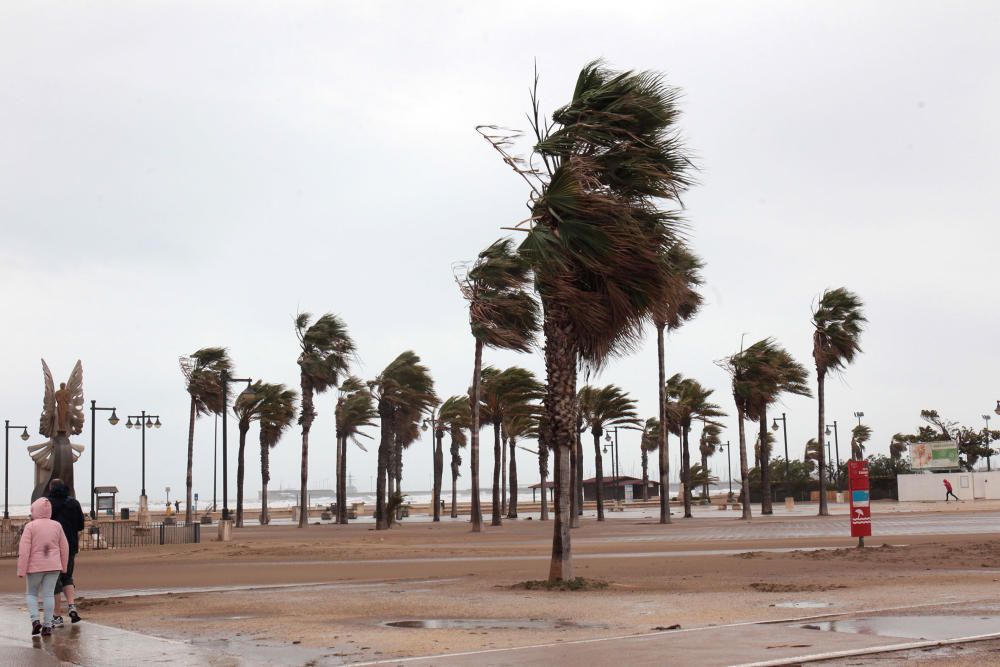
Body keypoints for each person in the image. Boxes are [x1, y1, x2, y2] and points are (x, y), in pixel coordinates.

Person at [17, 497, 69, 636]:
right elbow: (65, 547)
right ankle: (47, 625)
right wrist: (64, 567)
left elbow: (24, 550)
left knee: (31, 593)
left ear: (35, 511)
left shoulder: (30, 526)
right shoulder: (57, 525)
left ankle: (35, 621)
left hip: (34, 567)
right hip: (53, 566)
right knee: (49, 595)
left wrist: (21, 569)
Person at [47, 479, 85, 625]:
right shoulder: (74, 503)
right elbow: (80, 525)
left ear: (51, 488)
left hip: (52, 547)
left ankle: (57, 615)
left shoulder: (47, 503)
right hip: (70, 546)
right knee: (67, 576)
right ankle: (71, 606)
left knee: (54, 580)